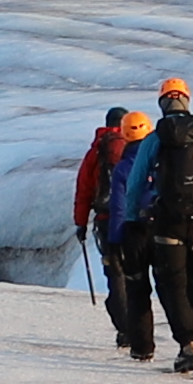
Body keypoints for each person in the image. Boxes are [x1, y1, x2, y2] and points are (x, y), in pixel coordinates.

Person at [106, 74, 193, 375]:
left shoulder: (155, 138)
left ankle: (190, 343)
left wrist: (134, 215)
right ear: (187, 100)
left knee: (172, 284)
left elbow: (135, 183)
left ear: (163, 103)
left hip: (168, 221)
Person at [71, 103, 149, 346]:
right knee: (138, 275)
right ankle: (141, 329)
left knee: (116, 275)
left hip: (106, 221)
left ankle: (125, 329)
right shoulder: (139, 147)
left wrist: (81, 223)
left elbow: (84, 189)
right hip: (139, 220)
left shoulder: (97, 151)